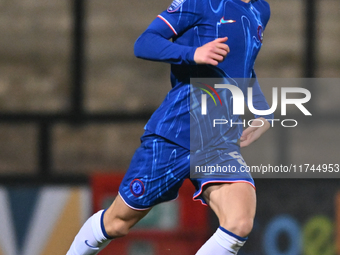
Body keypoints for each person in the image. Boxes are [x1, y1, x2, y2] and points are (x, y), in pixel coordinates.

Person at [66, 0, 273, 254]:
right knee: (117, 222)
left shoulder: (261, 10)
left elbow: (244, 67)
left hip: (218, 140)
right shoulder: (201, 2)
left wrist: (265, 113)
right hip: (175, 134)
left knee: (239, 222)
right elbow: (144, 42)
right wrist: (193, 53)